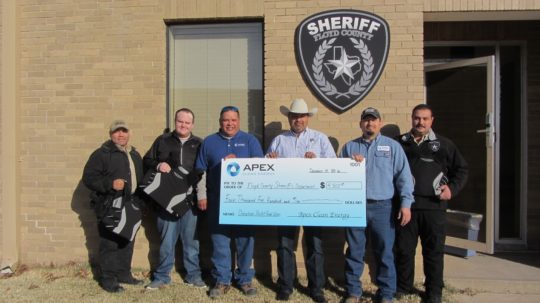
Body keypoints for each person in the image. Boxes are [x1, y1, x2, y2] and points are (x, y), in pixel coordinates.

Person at [339, 107, 414, 303]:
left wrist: (406, 203)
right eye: (366, 120)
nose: (369, 124)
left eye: (373, 120)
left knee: (384, 251)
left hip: (383, 207)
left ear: (380, 122)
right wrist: (350, 165)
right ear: (360, 124)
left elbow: (404, 177)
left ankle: (386, 293)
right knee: (355, 250)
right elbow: (338, 177)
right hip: (355, 206)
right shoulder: (349, 148)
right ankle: (353, 291)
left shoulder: (392, 147)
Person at [395, 104, 468, 303]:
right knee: (403, 249)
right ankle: (403, 286)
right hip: (406, 207)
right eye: (417, 118)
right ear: (411, 118)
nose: (421, 122)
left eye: (425, 119)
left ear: (432, 120)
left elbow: (461, 170)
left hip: (434, 208)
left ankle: (434, 290)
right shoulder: (400, 143)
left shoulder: (444, 144)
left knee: (433, 251)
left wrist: (452, 189)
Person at [266, 98, 336, 303]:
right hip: (287, 199)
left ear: (308, 118)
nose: (298, 119)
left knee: (315, 244)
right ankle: (286, 285)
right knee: (285, 244)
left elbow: (333, 166)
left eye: (301, 116)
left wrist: (317, 161)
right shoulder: (279, 140)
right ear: (289, 118)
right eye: (294, 116)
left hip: (313, 199)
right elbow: (267, 169)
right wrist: (269, 160)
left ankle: (316, 288)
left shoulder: (320, 139)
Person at [195, 105, 264, 298]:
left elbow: (261, 170)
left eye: (233, 119)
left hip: (244, 202)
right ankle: (222, 280)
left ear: (239, 121)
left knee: (245, 241)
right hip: (217, 201)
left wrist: (239, 164)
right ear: (220, 122)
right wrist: (202, 195)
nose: (230, 123)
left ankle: (244, 279)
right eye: (226, 120)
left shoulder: (250, 141)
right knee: (220, 242)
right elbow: (201, 172)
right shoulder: (209, 142)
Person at [143, 108, 206, 290]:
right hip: (166, 201)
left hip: (189, 201)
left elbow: (203, 171)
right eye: (180, 121)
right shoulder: (162, 141)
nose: (183, 125)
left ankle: (193, 275)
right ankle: (162, 276)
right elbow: (146, 161)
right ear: (175, 121)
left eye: (187, 122)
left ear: (192, 125)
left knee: (191, 241)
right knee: (166, 241)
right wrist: (158, 164)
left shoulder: (199, 144)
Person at [82, 120, 144, 293]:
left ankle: (124, 274)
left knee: (127, 240)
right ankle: (109, 279)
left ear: (129, 133)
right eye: (117, 132)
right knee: (109, 243)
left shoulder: (134, 154)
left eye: (124, 131)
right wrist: (110, 183)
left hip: (131, 205)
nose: (121, 134)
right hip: (109, 205)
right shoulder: (101, 154)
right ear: (111, 134)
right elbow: (89, 178)